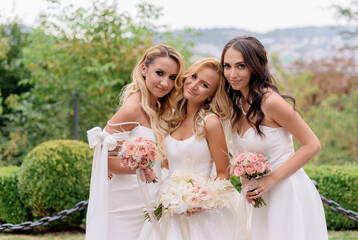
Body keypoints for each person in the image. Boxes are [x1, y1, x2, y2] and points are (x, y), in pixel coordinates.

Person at [221, 36, 328, 240]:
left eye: (240, 66)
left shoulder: (270, 101)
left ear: (255, 66)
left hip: (287, 193)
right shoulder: (237, 104)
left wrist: (272, 179)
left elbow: (312, 144)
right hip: (259, 196)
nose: (232, 74)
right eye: (227, 66)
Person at [85, 44, 184, 240]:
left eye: (172, 78)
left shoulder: (158, 106)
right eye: (160, 73)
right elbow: (104, 159)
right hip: (125, 203)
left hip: (150, 194)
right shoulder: (132, 108)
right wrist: (141, 168)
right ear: (143, 69)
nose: (165, 83)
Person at [139, 58, 238, 240]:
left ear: (211, 95)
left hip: (202, 212)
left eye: (204, 85)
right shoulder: (171, 118)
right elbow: (168, 163)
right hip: (170, 204)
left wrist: (201, 199)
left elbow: (224, 172)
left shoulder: (211, 122)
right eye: (193, 77)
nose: (193, 85)